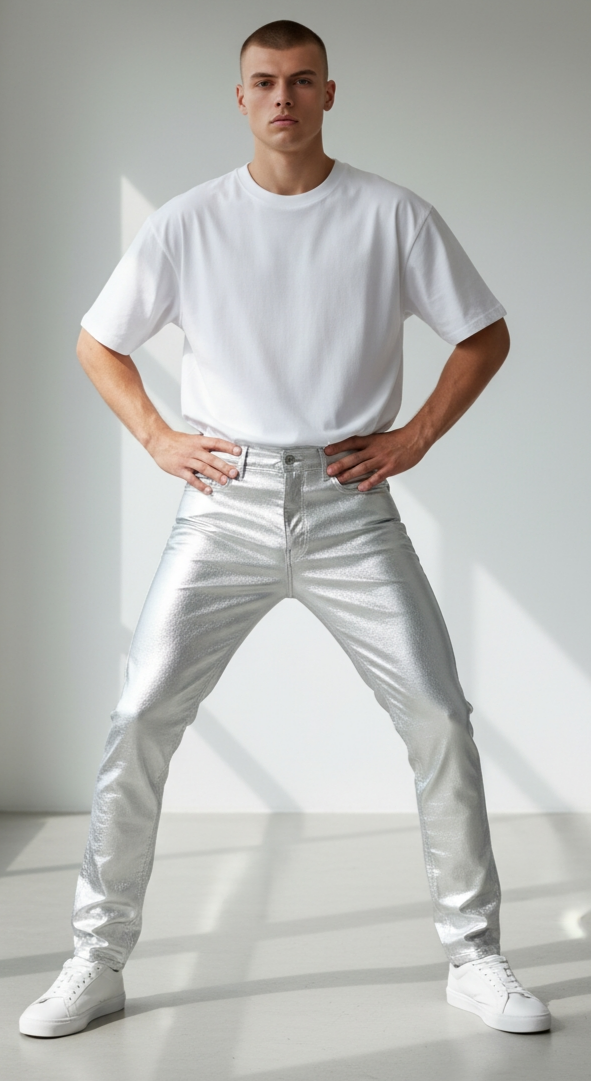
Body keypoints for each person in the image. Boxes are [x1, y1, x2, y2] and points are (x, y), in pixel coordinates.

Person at [19, 19, 550, 1039]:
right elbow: (97, 342)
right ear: (240, 97)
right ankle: (95, 958)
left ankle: (475, 955)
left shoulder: (391, 215)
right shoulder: (188, 222)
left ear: (330, 94)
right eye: (264, 82)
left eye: (303, 81)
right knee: (139, 717)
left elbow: (483, 333)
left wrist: (416, 435)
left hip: (351, 504)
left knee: (438, 715)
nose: (283, 98)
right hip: (226, 504)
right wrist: (157, 435)